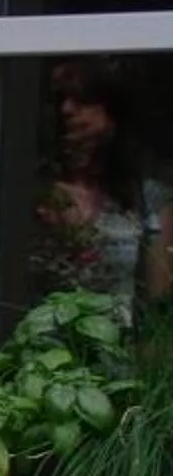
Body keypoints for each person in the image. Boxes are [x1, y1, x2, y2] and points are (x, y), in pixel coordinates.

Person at [33, 60, 173, 305]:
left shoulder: (146, 196)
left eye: (82, 99)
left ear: (112, 110)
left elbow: (157, 301)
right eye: (60, 100)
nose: (67, 109)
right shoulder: (40, 188)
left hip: (118, 336)